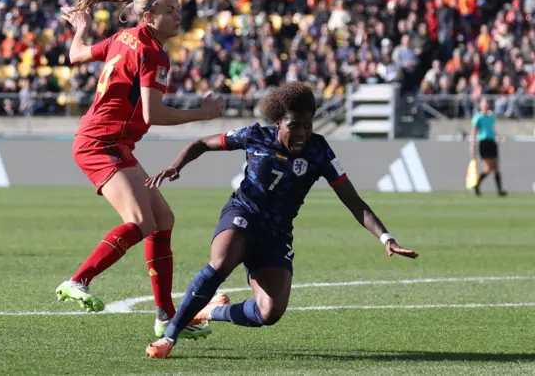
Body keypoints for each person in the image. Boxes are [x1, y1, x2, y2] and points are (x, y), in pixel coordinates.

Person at [144, 82, 419, 359]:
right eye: (294, 125)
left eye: (308, 125)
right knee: (221, 263)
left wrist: (387, 238)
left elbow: (352, 200)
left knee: (269, 312)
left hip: (276, 233)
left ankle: (212, 311)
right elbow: (202, 143)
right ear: (278, 121)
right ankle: (169, 336)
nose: (301, 133)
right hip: (243, 213)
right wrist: (176, 165)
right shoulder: (254, 135)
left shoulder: (319, 150)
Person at [55, 0, 223, 341]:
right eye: (169, 11)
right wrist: (202, 114)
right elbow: (152, 114)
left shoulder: (124, 37)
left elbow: (76, 55)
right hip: (101, 143)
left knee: (163, 220)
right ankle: (77, 280)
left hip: (111, 143)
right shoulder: (152, 52)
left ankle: (165, 317)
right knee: (141, 221)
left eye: (178, 9)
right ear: (148, 16)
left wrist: (81, 30)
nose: (179, 16)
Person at [470, 97, 508, 197]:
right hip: (484, 143)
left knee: (496, 167)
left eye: (487, 103)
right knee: (488, 168)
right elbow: (473, 133)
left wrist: (499, 137)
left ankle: (500, 190)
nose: (485, 105)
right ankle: (476, 185)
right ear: (480, 105)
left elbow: (491, 130)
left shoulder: (491, 117)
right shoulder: (477, 117)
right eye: (483, 103)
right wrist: (472, 145)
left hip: (492, 142)